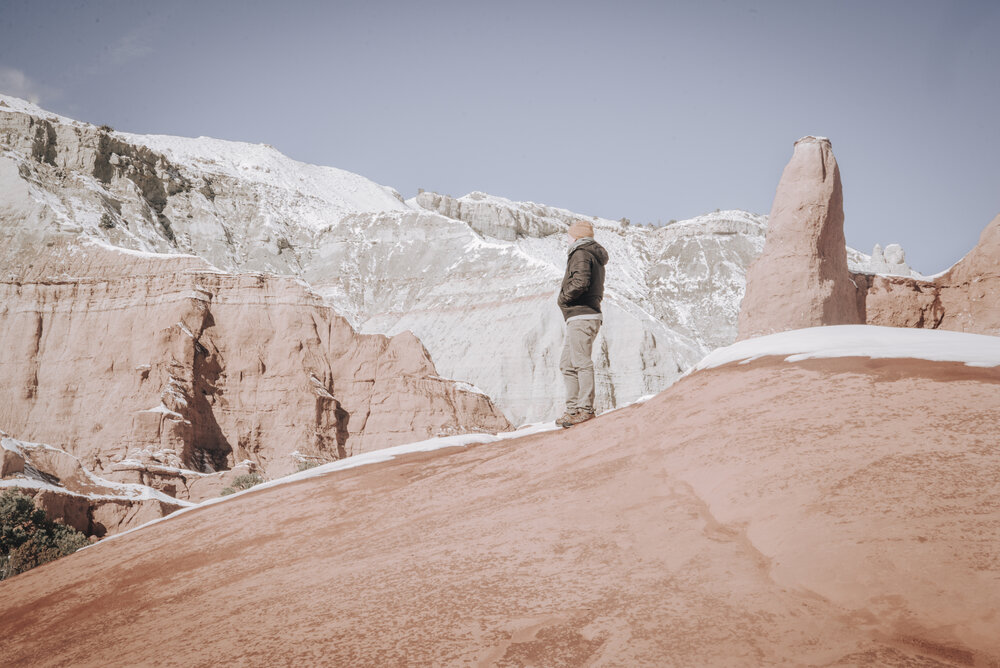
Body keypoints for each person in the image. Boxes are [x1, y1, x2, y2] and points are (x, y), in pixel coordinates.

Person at [556, 219, 609, 428]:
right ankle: (573, 410)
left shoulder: (580, 253)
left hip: (582, 315)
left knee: (580, 363)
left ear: (576, 236)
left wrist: (563, 299)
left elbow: (580, 282)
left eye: (569, 235)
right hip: (581, 315)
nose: (567, 238)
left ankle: (585, 410)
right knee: (567, 365)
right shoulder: (589, 253)